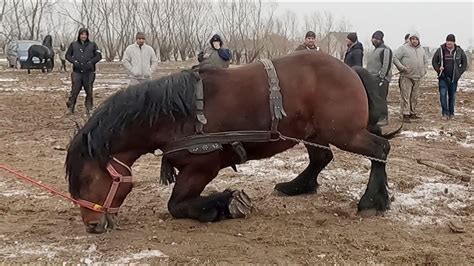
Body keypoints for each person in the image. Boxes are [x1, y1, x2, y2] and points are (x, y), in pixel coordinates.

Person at [65, 28, 102, 116]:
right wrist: (74, 61)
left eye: (85, 34)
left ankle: (89, 108)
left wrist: (91, 62)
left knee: (89, 91)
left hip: (89, 72)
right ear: (79, 35)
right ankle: (70, 107)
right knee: (74, 90)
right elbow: (67, 55)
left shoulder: (93, 45)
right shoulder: (73, 45)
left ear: (87, 35)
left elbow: (99, 56)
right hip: (77, 72)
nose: (83, 36)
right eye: (82, 34)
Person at [393, 32, 428, 123]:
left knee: (414, 96)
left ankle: (412, 112)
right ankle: (405, 114)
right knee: (406, 96)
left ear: (419, 40)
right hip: (406, 76)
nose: (414, 41)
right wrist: (402, 67)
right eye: (412, 39)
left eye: (416, 39)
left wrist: (424, 71)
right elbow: (395, 58)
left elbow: (425, 61)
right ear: (410, 39)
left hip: (417, 76)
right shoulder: (403, 48)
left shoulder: (422, 50)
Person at [432, 34, 468, 120]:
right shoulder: (440, 50)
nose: (449, 43)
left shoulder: (459, 51)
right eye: (448, 41)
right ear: (446, 41)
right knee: (443, 95)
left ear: (454, 42)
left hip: (453, 78)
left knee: (452, 96)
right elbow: (434, 61)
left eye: (451, 41)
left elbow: (464, 63)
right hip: (443, 77)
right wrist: (438, 69)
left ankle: (451, 113)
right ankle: (445, 113)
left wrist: (459, 73)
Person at [366, 30, 393, 126]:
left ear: (379, 39)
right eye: (372, 39)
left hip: (381, 79)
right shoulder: (375, 50)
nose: (373, 41)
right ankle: (376, 117)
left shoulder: (385, 50)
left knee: (381, 99)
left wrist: (382, 78)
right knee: (375, 99)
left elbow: (386, 64)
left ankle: (384, 118)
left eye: (374, 39)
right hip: (373, 78)